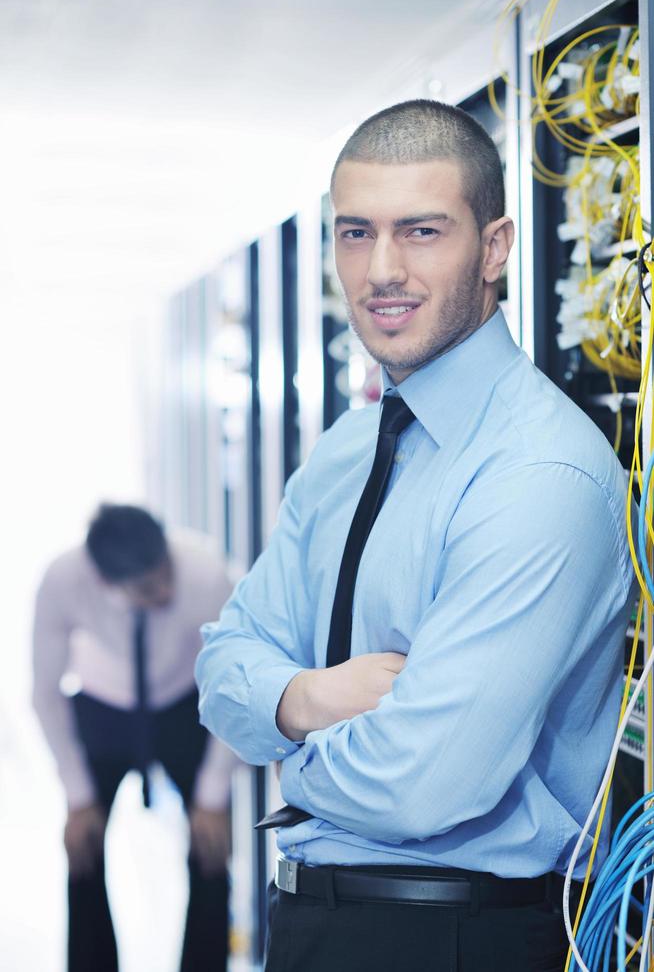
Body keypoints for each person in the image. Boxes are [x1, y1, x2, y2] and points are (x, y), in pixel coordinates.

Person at [195, 100, 634, 971]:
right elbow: (221, 665)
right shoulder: (348, 450)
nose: (382, 269)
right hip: (315, 926)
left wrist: (291, 764)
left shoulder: (540, 473)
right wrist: (313, 699)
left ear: (497, 247)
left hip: (454, 937)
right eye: (355, 234)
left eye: (421, 231)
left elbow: (424, 782)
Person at [33, 504, 236, 972]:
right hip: (103, 703)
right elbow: (44, 693)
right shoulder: (64, 580)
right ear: (107, 584)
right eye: (148, 587)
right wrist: (78, 797)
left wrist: (212, 797)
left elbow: (232, 687)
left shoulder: (205, 573)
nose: (165, 590)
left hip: (183, 701)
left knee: (210, 849)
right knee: (83, 849)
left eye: (166, 574)